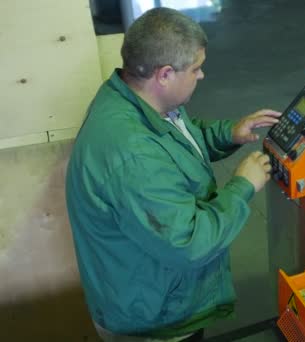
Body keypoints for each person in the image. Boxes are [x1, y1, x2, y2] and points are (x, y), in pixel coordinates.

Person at [65, 7, 280, 341]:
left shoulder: (133, 99)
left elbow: (177, 142)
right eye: (196, 68)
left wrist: (229, 133)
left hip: (149, 289)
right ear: (164, 74)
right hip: (153, 322)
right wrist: (242, 186)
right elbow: (189, 243)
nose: (202, 75)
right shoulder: (133, 156)